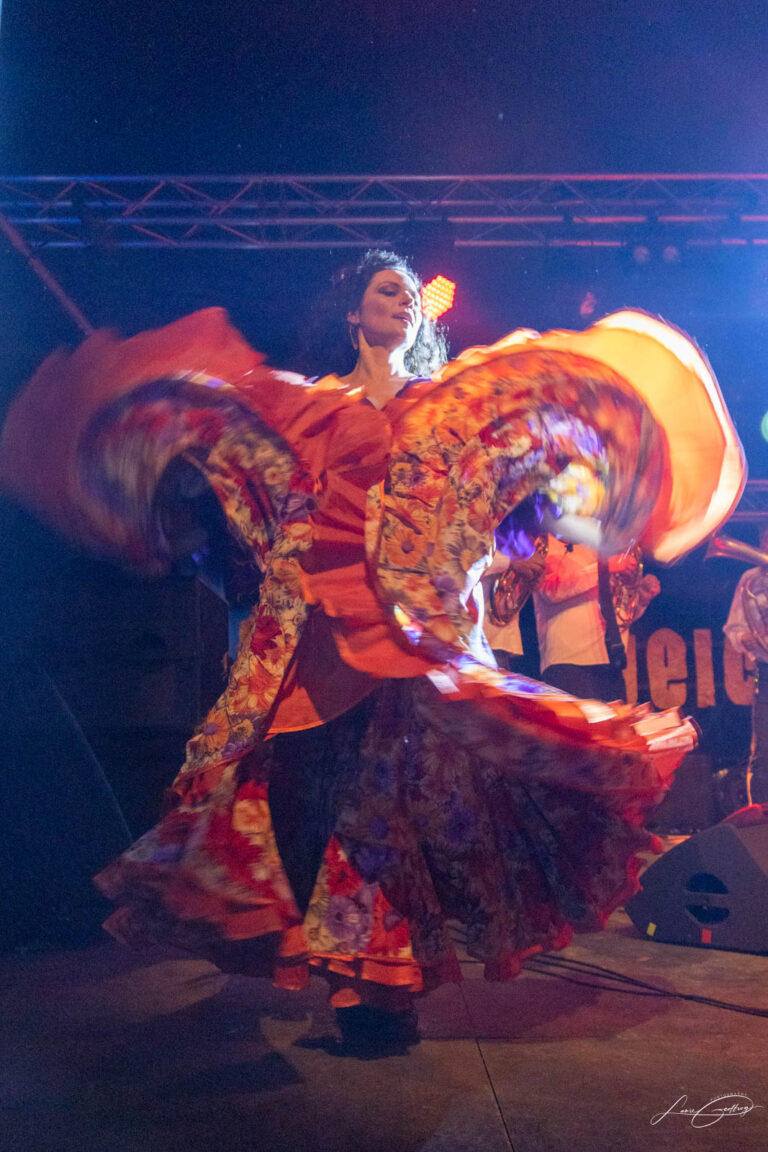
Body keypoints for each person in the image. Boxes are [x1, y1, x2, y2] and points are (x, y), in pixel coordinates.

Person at [0, 267, 742, 1056]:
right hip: (313, 639)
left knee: (383, 806)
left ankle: (376, 989)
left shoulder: (455, 405)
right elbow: (236, 518)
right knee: (309, 802)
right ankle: (357, 977)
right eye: (386, 288)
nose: (404, 297)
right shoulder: (302, 408)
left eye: (409, 291)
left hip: (418, 643)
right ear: (351, 311)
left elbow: (505, 522)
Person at [534, 539, 660, 703]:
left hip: (611, 663)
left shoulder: (607, 548)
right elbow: (550, 591)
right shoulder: (550, 539)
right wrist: (605, 569)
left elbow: (619, 615)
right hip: (568, 662)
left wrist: (640, 599)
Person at [723, 526, 768, 804]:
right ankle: (761, 817)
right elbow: (734, 626)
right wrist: (745, 638)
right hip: (766, 672)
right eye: (766, 540)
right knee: (764, 751)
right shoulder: (750, 580)